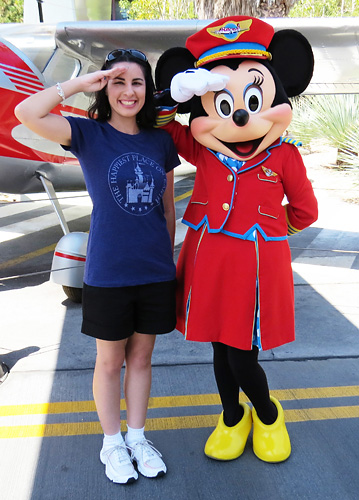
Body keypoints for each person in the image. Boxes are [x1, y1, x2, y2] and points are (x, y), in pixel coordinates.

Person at [155, 16, 318, 463]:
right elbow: (166, 128)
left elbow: (306, 212)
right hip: (208, 264)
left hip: (255, 271)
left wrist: (268, 229)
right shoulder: (202, 149)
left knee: (242, 354)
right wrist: (176, 94)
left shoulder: (283, 155)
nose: (241, 116)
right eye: (223, 105)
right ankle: (231, 416)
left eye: (251, 99)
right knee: (217, 346)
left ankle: (266, 414)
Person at [15, 48, 180, 484]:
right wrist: (77, 83)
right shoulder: (87, 134)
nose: (129, 91)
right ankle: (112, 443)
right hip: (108, 271)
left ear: (149, 89)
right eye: (118, 81)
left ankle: (138, 437)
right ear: (105, 87)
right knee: (109, 362)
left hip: (155, 271)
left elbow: (167, 211)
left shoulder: (160, 141)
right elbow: (26, 111)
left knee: (142, 359)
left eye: (137, 82)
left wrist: (167, 261)